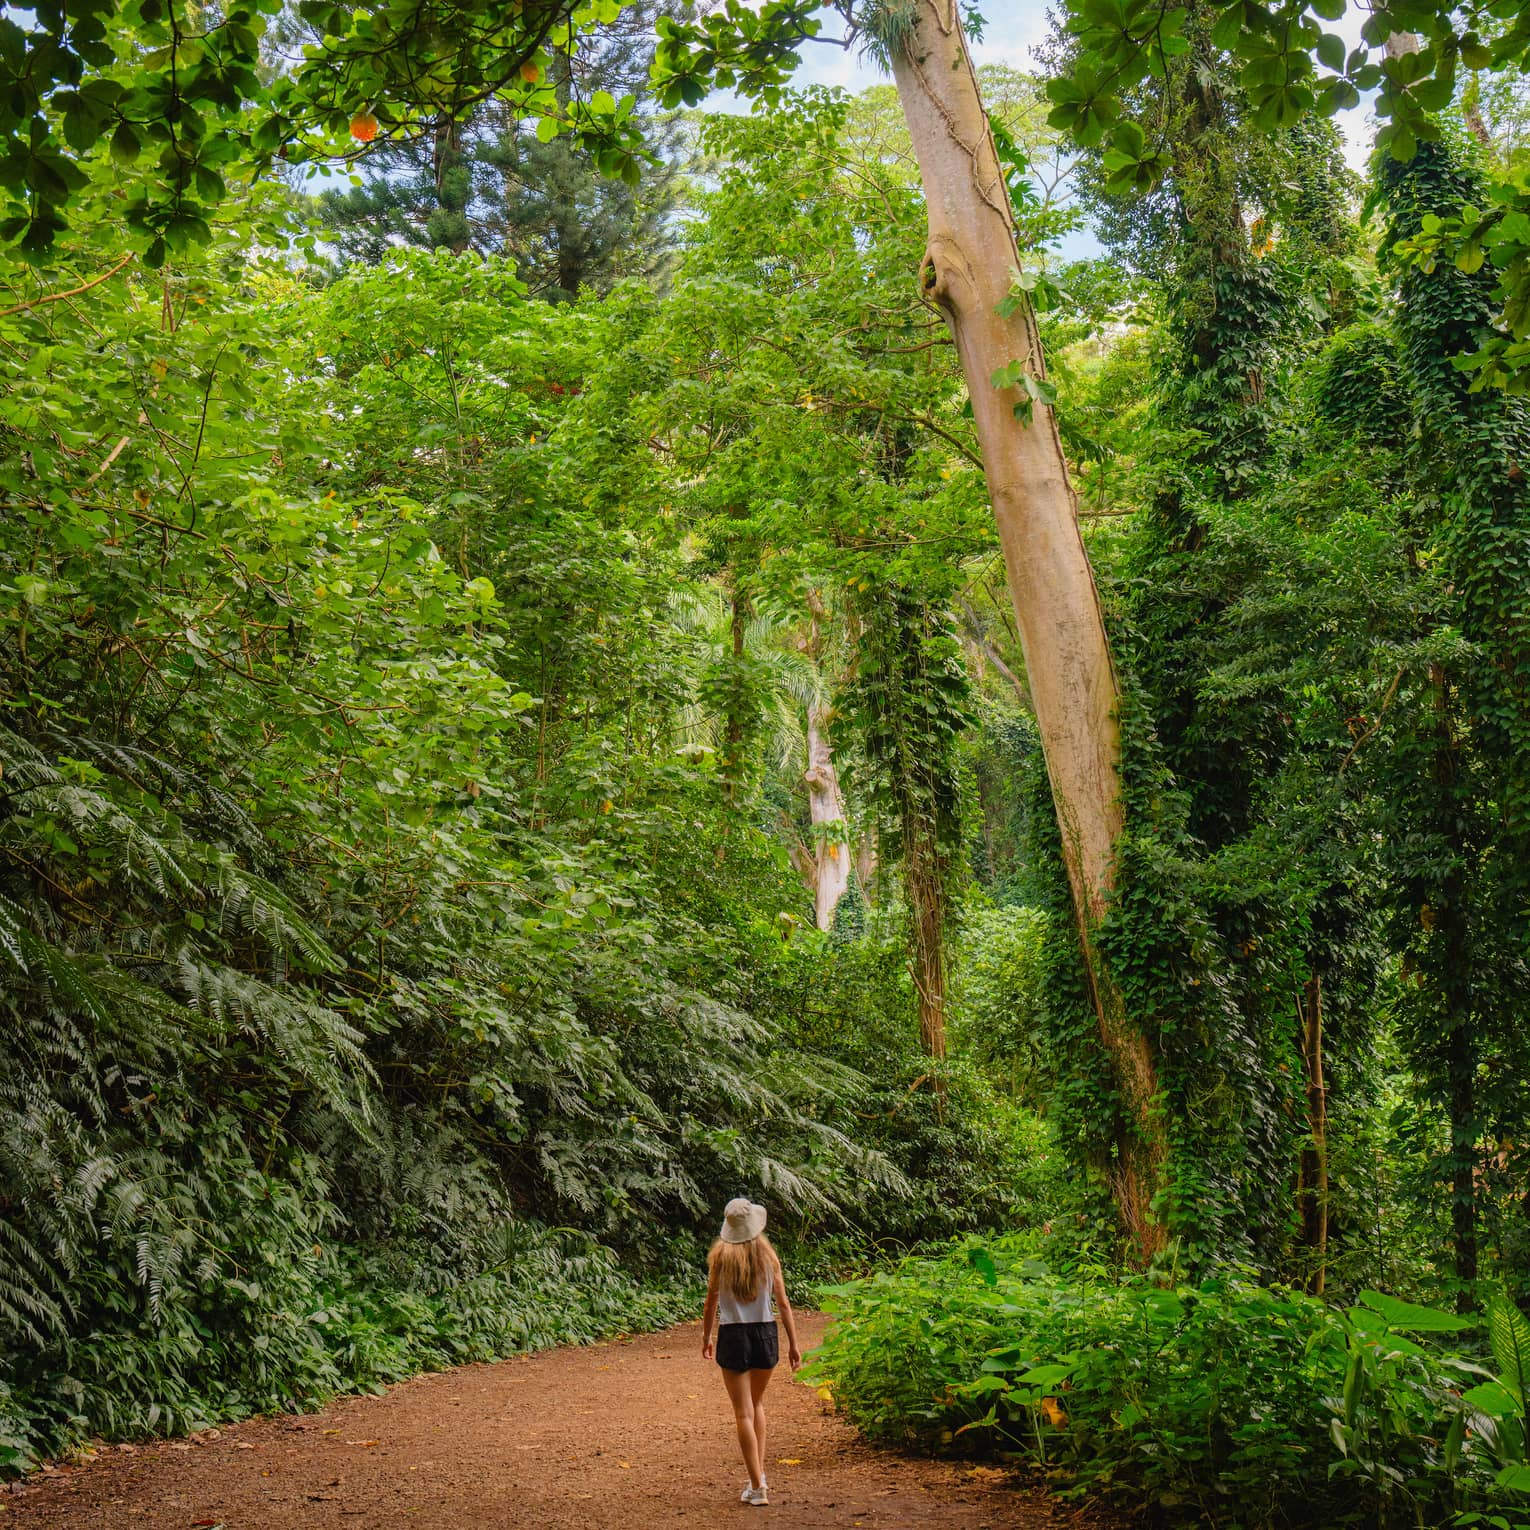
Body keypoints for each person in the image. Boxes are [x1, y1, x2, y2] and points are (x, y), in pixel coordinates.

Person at [700, 1197, 801, 1508]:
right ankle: (760, 1477)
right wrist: (794, 1344)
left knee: (743, 1412)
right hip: (765, 1333)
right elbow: (783, 1304)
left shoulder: (719, 1259)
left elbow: (710, 1303)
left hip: (733, 1335)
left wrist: (706, 1337)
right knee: (757, 1404)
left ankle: (757, 1486)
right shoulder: (769, 1259)